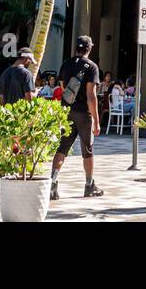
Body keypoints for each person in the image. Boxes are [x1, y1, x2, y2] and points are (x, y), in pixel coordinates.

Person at [50, 36, 103, 200]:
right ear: (89, 48)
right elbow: (91, 95)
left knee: (62, 148)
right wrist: (96, 121)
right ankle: (89, 185)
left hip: (67, 112)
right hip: (83, 113)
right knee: (87, 149)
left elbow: (63, 89)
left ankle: (53, 184)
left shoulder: (65, 64)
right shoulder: (92, 67)